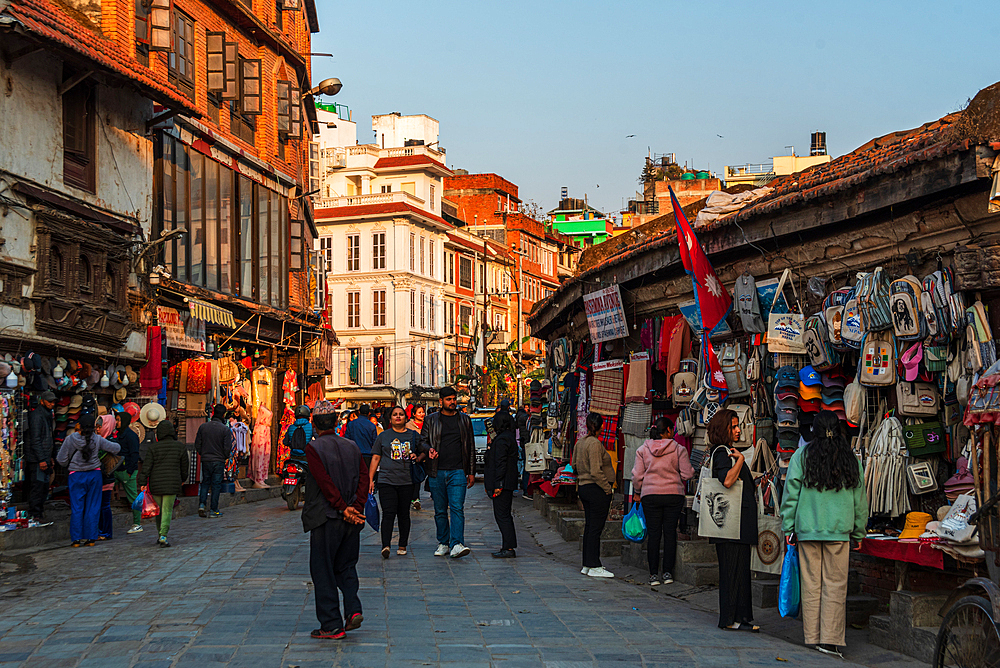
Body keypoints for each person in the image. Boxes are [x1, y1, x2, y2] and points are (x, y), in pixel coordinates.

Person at [780, 410, 867, 658]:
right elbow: (860, 501)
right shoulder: (851, 460)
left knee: (811, 584)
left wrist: (789, 527)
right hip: (839, 532)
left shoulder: (801, 457)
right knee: (835, 586)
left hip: (808, 529)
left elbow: (791, 496)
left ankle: (813, 636)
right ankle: (829, 641)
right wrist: (859, 532)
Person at [303, 401, 368, 640]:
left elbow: (324, 482)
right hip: (352, 517)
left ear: (314, 424)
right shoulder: (351, 446)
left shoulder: (314, 448)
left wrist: (342, 508)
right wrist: (357, 507)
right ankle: (353, 610)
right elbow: (363, 477)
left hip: (327, 517)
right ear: (336, 422)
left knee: (323, 570)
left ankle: (331, 623)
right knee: (346, 566)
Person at [706, 409, 759, 632]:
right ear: (723, 429)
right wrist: (740, 461)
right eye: (734, 426)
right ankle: (730, 618)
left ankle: (740, 617)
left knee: (739, 569)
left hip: (737, 523)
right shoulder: (722, 453)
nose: (738, 430)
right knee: (732, 570)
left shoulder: (728, 451)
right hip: (731, 524)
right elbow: (727, 480)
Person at [631, 417, 694, 586]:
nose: (673, 432)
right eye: (671, 429)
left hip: (650, 495)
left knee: (654, 534)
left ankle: (653, 575)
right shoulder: (678, 449)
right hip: (673, 495)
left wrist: (637, 491)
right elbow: (688, 474)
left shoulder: (643, 449)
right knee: (669, 533)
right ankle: (667, 573)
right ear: (666, 430)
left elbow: (637, 476)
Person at [421, 387, 475, 558]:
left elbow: (471, 447)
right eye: (448, 399)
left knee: (457, 508)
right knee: (440, 510)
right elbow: (422, 441)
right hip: (437, 471)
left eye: (454, 399)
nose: (452, 402)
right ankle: (443, 542)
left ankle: (457, 543)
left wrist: (471, 472)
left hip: (458, 471)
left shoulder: (464, 420)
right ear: (441, 401)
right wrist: (428, 449)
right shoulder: (431, 420)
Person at [56, 413, 120, 547]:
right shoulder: (97, 439)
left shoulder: (70, 439)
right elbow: (116, 448)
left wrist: (70, 462)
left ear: (78, 425)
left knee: (77, 508)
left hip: (76, 476)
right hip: (94, 475)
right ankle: (91, 538)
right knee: (93, 507)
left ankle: (76, 539)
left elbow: (61, 460)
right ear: (94, 427)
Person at [369, 406, 423, 558]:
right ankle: (385, 545)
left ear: (406, 418)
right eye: (395, 415)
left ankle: (402, 545)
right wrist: (370, 479)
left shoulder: (413, 435)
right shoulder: (383, 436)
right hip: (386, 480)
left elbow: (423, 450)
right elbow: (375, 457)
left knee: (404, 514)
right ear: (390, 418)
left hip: (406, 481)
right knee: (388, 513)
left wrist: (418, 458)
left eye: (401, 414)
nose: (398, 417)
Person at [573, 412, 616, 578]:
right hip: (595, 489)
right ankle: (594, 564)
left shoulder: (580, 443)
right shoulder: (594, 444)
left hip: (584, 487)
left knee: (590, 526)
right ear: (601, 426)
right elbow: (596, 471)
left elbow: (575, 464)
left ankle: (587, 563)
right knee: (595, 528)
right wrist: (607, 488)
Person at [138, 420, 188, 547]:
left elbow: (147, 466)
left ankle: (160, 534)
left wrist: (143, 482)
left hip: (156, 484)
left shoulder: (153, 448)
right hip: (172, 483)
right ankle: (163, 535)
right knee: (167, 510)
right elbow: (184, 467)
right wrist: (183, 479)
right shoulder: (180, 447)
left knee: (159, 510)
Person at [484, 410, 519, 558]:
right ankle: (508, 546)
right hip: (507, 482)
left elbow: (500, 463)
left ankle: (509, 547)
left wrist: (498, 484)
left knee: (502, 515)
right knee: (504, 515)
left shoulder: (503, 440)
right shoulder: (507, 438)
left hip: (503, 483)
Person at [195, 404, 233, 518]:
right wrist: (224, 456)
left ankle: (202, 504)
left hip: (206, 459)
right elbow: (227, 448)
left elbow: (198, 444)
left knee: (205, 482)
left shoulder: (203, 427)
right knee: (216, 485)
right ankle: (213, 509)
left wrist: (204, 454)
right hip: (218, 460)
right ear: (223, 415)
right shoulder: (225, 429)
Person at [25, 390, 57, 522]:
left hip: (43, 456)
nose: (52, 404)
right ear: (42, 401)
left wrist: (49, 457)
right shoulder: (37, 416)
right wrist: (41, 459)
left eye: (53, 401)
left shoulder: (46, 415)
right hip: (37, 458)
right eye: (49, 401)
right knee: (37, 487)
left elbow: (46, 438)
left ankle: (38, 513)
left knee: (43, 487)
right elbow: (35, 440)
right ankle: (35, 514)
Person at [114, 410, 143, 534]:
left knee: (132, 498)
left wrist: (130, 471)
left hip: (127, 470)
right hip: (117, 470)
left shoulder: (131, 436)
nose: (117, 422)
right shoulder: (118, 435)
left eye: (119, 420)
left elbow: (134, 454)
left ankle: (137, 523)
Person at [96, 414, 118, 540]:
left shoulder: (111, 441)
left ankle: (106, 532)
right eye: (97, 427)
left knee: (104, 505)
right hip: (100, 478)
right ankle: (101, 531)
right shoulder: (102, 439)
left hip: (106, 478)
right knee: (100, 505)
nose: (98, 430)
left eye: (100, 427)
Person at [406, 404, 426, 510]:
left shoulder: (427, 424)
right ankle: (415, 498)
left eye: (423, 412)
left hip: (425, 454)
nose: (422, 414)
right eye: (419, 412)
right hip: (414, 454)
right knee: (415, 477)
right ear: (414, 414)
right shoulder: (408, 426)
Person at [345, 404, 377, 468]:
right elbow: (375, 442)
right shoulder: (372, 426)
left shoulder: (351, 424)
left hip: (354, 454)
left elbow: (347, 440)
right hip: (368, 455)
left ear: (359, 412)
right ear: (368, 413)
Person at [515, 405, 531, 497]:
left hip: (522, 444)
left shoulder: (518, 418)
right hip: (526, 444)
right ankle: (526, 488)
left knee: (524, 466)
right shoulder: (523, 418)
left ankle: (525, 487)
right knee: (526, 467)